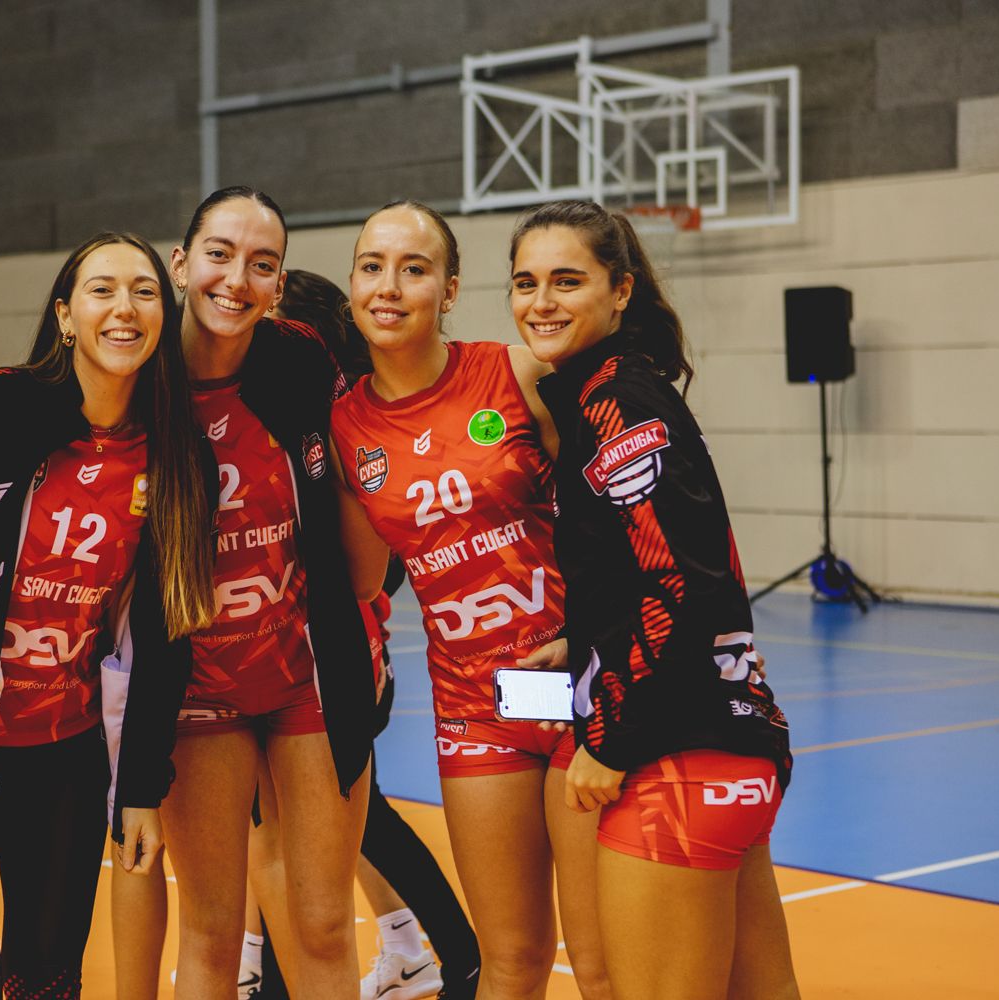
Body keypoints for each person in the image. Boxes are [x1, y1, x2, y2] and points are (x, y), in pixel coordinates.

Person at [0, 231, 214, 999]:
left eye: (145, 291)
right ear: (66, 315)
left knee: (47, 982)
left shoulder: (175, 452)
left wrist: (141, 786)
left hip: (63, 757)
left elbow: (168, 637)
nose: (124, 307)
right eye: (101, 289)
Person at [510, 199, 798, 1000]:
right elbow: (653, 568)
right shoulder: (606, 395)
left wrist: (614, 740)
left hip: (674, 765)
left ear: (621, 290)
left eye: (568, 280)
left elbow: (686, 587)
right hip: (727, 759)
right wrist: (590, 633)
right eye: (526, 282)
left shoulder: (619, 406)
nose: (542, 302)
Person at [329, 201, 611, 1000]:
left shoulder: (516, 372)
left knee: (599, 962)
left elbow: (619, 521)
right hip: (471, 704)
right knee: (510, 959)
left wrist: (599, 633)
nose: (389, 286)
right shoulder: (345, 426)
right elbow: (357, 580)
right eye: (372, 266)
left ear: (449, 290)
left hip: (576, 688)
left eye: (414, 269)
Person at [148, 185, 379, 1000]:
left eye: (262, 264)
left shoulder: (302, 362)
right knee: (213, 933)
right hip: (194, 693)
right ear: (181, 263)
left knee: (319, 925)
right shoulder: (140, 373)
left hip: (305, 682)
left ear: (281, 284)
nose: (236, 279)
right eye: (218, 254)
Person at [240, 270, 483, 1000]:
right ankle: (416, 949)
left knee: (299, 831)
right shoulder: (271, 407)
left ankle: (446, 953)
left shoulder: (337, 421)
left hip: (334, 658)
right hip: (281, 656)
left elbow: (374, 570)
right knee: (330, 825)